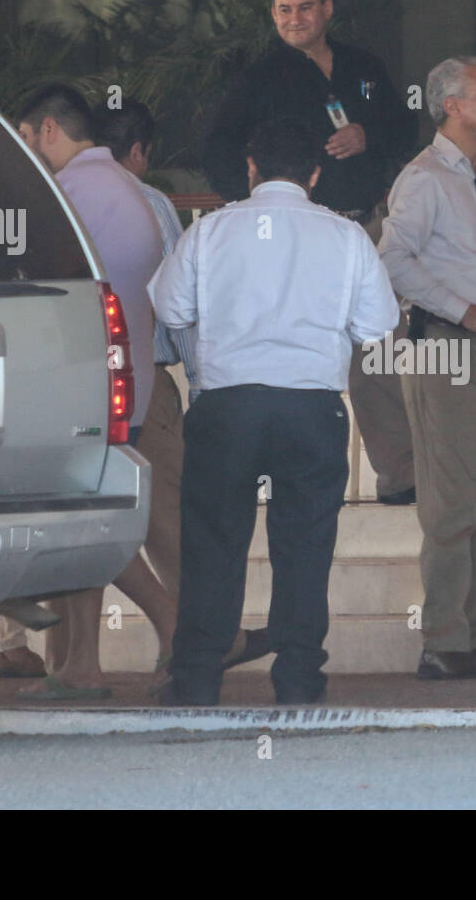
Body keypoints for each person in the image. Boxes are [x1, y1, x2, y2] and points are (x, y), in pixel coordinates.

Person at [149, 117, 399, 706]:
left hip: (226, 407)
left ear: (251, 169)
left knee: (213, 547)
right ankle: (299, 678)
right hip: (312, 410)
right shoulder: (347, 236)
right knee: (306, 549)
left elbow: (168, 306)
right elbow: (378, 327)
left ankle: (197, 680)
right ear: (315, 174)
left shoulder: (209, 231)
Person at [200, 0, 418, 504]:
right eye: (283, 10)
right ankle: (279, 479)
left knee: (380, 352)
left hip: (363, 226)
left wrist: (370, 134)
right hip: (292, 236)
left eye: (304, 7)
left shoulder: (363, 66)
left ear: (327, 8)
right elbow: (215, 148)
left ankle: (401, 475)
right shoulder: (259, 77)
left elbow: (405, 125)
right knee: (290, 351)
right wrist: (252, 206)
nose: (294, 19)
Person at [93, 98, 270, 672]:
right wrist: (200, 386)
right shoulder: (148, 202)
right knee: (167, 522)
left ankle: (72, 663)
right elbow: (179, 308)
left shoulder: (58, 197)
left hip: (73, 385)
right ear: (140, 151)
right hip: (146, 383)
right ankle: (197, 640)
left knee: (87, 516)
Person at [11, 83, 174, 700]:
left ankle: (171, 622)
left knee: (85, 526)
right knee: (88, 522)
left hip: (93, 388)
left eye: (26, 139)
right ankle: (81, 663)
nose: (25, 154)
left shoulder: (72, 192)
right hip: (121, 382)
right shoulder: (119, 187)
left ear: (49, 130)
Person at [379, 56, 476, 681]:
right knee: (450, 505)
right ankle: (441, 639)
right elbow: (390, 261)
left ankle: (470, 635)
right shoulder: (423, 178)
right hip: (444, 348)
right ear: (451, 106)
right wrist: (463, 311)